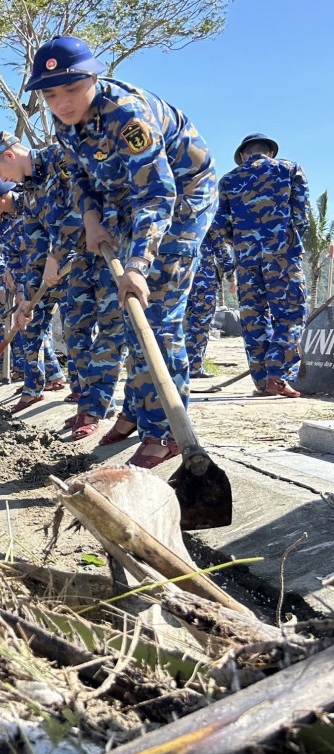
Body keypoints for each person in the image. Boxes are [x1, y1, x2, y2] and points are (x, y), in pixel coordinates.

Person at [25, 35, 217, 468]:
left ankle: (166, 431)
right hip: (125, 203)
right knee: (130, 312)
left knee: (159, 313)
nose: (62, 103)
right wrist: (91, 219)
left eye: (72, 89)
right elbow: (79, 176)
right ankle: (136, 410)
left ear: (94, 77)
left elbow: (158, 193)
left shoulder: (127, 115)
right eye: (51, 95)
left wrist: (136, 263)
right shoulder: (64, 122)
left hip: (182, 201)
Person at [0, 130, 122, 436]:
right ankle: (91, 405)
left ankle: (107, 409)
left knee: (113, 331)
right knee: (76, 332)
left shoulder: (61, 157)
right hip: (77, 261)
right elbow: (35, 254)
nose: (0, 178)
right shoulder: (30, 193)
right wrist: (26, 299)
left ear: (8, 156)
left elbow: (79, 211)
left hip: (109, 248)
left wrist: (55, 259)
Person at [210, 133, 309, 398]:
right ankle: (277, 374)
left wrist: (244, 242)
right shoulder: (290, 169)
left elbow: (219, 227)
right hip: (283, 258)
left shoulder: (229, 180)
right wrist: (285, 242)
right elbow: (301, 216)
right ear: (270, 152)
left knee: (253, 319)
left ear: (243, 155)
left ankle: (263, 381)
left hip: (246, 260)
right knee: (290, 313)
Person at [0, 173, 68, 408]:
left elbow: (59, 235)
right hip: (32, 283)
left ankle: (80, 390)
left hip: (62, 275)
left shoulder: (34, 203)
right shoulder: (2, 224)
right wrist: (20, 293)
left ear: (3, 196)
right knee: (30, 331)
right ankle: (33, 388)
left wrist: (53, 266)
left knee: (74, 332)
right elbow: (13, 259)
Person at [184, 230, 235, 379]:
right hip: (203, 279)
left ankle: (177, 366)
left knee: (180, 325)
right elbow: (220, 246)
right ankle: (193, 368)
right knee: (200, 325)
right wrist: (231, 275)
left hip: (177, 278)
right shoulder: (206, 210)